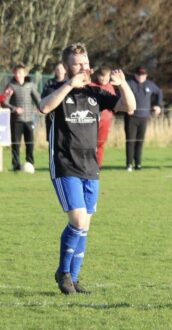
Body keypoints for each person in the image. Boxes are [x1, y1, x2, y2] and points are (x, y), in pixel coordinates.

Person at [39, 43, 136, 295]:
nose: (83, 68)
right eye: (77, 64)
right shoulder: (57, 89)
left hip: (90, 167)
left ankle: (74, 277)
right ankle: (63, 272)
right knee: (78, 220)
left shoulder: (96, 93)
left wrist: (122, 84)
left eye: (85, 63)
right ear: (67, 67)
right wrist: (70, 84)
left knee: (86, 225)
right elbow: (44, 107)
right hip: (64, 165)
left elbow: (130, 107)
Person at [2, 63, 41, 171]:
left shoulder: (31, 85)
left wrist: (40, 108)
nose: (18, 75)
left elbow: (38, 99)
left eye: (20, 72)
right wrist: (15, 109)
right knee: (16, 144)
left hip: (29, 120)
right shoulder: (10, 86)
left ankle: (30, 164)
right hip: (16, 121)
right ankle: (16, 165)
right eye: (16, 72)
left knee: (30, 144)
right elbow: (4, 102)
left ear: (25, 73)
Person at [124, 66, 163, 171]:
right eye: (139, 74)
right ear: (135, 74)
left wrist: (158, 105)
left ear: (146, 75)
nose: (141, 77)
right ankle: (129, 164)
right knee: (130, 141)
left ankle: (138, 164)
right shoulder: (130, 83)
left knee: (140, 141)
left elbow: (159, 92)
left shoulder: (150, 85)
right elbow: (121, 94)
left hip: (144, 117)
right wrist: (126, 106)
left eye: (143, 75)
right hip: (131, 117)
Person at [90, 66, 116, 167]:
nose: (104, 79)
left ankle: (98, 165)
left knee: (100, 143)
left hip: (105, 120)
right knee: (89, 143)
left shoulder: (110, 87)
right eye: (101, 76)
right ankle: (88, 164)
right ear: (97, 76)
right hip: (91, 120)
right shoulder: (91, 86)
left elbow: (114, 103)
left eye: (106, 77)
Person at [42, 62, 67, 142]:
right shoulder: (49, 83)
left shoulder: (69, 83)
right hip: (51, 115)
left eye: (61, 69)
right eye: (57, 69)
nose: (59, 71)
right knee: (52, 140)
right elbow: (43, 97)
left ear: (65, 70)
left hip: (65, 114)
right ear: (55, 71)